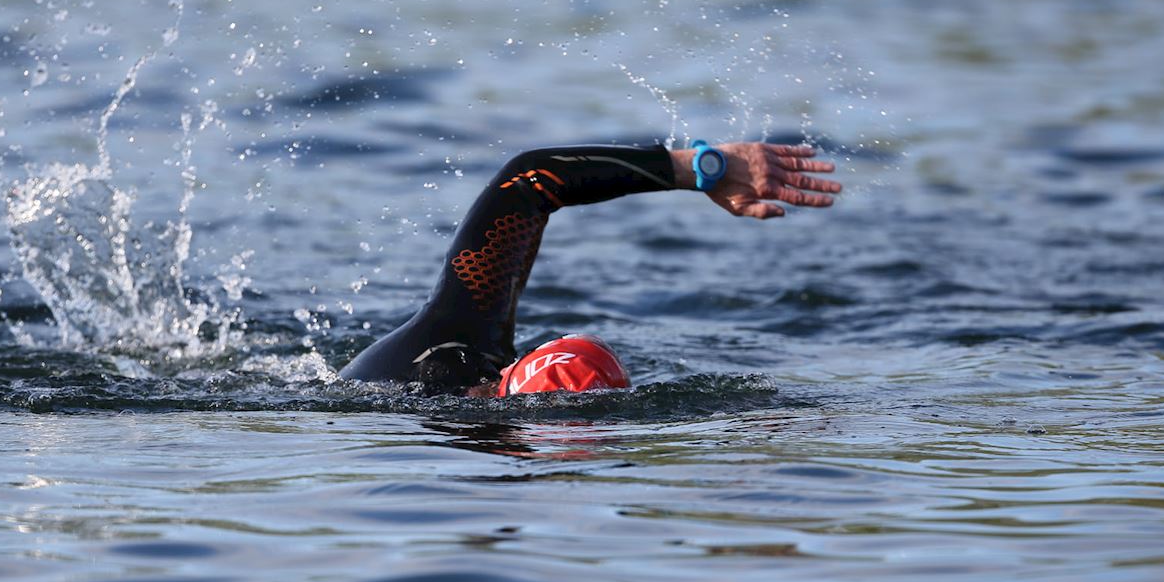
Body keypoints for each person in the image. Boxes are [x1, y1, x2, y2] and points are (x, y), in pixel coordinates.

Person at [339, 140, 840, 396]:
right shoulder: (457, 333)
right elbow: (529, 178)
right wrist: (697, 165)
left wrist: (700, 169)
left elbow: (530, 181)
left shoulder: (471, 330)